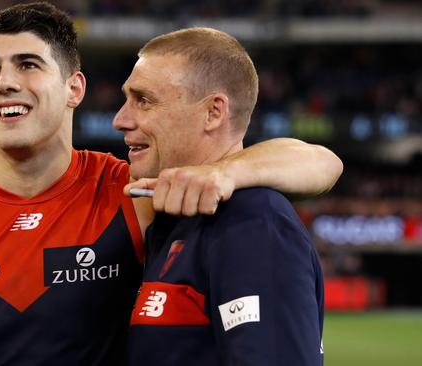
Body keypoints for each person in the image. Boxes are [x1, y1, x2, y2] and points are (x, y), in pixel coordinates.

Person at [0, 3, 341, 366]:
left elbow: (317, 162)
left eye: (28, 64)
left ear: (73, 86)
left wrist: (224, 172)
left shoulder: (134, 193)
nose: (5, 80)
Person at [117, 28, 327, 365]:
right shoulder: (173, 219)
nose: (120, 119)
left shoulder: (254, 221)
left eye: (144, 100)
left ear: (214, 112)